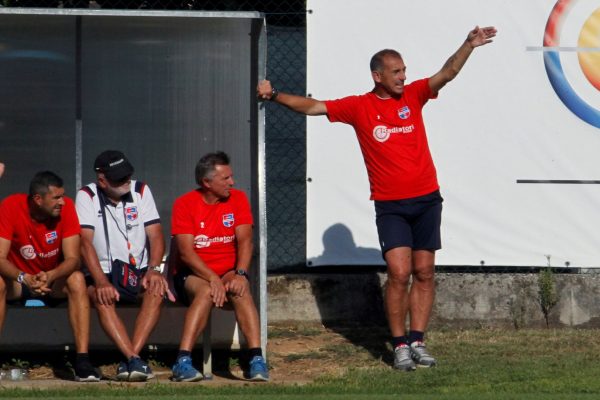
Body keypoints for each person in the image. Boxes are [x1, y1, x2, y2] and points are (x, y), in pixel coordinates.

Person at [257, 26, 497, 371]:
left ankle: (418, 340)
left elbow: (448, 72)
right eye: (396, 72)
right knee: (399, 273)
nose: (403, 77)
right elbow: (314, 107)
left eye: (404, 71)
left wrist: (469, 45)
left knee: (425, 271)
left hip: (428, 198)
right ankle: (399, 345)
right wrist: (275, 94)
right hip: (391, 205)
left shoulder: (414, 95)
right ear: (378, 75)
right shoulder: (359, 107)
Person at [169, 151, 268, 382]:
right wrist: (213, 278)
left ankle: (256, 359)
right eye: (226, 179)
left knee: (240, 289)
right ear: (207, 182)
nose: (232, 183)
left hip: (228, 272)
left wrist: (241, 274)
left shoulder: (238, 199)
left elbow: (245, 242)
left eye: (231, 177)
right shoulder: (184, 204)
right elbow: (186, 252)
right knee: (204, 291)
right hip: (193, 274)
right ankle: (182, 362)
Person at [76, 150, 173, 382]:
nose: (126, 181)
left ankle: (131, 359)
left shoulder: (141, 191)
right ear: (102, 180)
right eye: (119, 179)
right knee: (102, 297)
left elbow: (156, 235)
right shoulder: (87, 195)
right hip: (102, 271)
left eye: (128, 175)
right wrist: (100, 281)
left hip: (137, 270)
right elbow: (84, 242)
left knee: (156, 291)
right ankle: (133, 358)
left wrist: (154, 269)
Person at [0, 171, 100, 382]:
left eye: (62, 196)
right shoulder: (11, 206)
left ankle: (82, 360)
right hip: (19, 281)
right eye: (56, 198)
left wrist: (51, 275)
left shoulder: (67, 209)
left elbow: (73, 259)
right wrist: (23, 277)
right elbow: (0, 258)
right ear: (38, 199)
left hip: (51, 281)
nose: (62, 202)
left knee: (77, 279)